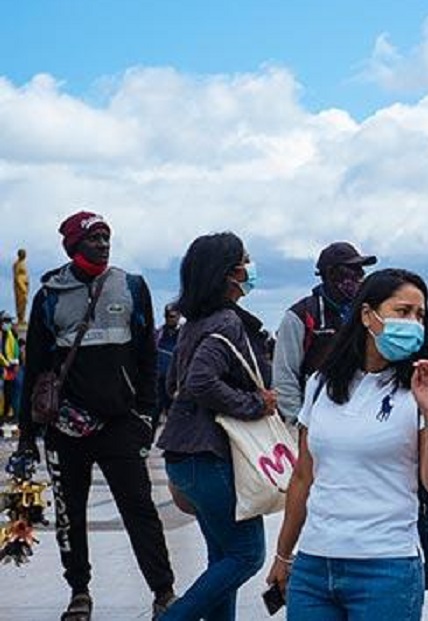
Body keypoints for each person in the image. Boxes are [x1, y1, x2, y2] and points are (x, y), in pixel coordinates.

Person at [266, 268, 428, 618]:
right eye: (402, 312)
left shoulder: (427, 384)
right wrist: (283, 554)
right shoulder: (321, 384)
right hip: (314, 565)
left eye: (420, 315)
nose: (413, 323)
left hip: (386, 566)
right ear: (367, 315)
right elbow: (303, 477)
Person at [12, 212, 176, 620]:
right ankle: (79, 591)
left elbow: (146, 357)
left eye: (106, 237)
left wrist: (146, 416)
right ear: (73, 246)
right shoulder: (50, 293)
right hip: (66, 426)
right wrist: (27, 436)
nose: (103, 244)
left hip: (121, 424)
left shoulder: (132, 287)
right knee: (71, 515)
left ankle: (163, 591)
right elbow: (34, 370)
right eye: (93, 239)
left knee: (140, 510)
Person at [156, 233, 275, 620]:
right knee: (247, 555)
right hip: (210, 456)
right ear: (228, 273)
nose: (250, 266)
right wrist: (255, 404)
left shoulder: (194, 324)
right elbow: (199, 382)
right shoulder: (226, 321)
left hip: (184, 455)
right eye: (245, 260)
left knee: (222, 555)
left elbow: (174, 383)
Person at [273, 242, 377, 424]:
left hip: (362, 418)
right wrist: (298, 422)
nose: (360, 275)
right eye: (352, 268)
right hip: (315, 420)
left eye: (361, 269)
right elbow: (284, 376)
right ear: (330, 274)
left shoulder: (367, 312)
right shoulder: (300, 316)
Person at [155, 304, 182, 422]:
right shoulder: (158, 334)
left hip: (175, 381)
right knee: (155, 411)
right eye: (168, 316)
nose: (170, 319)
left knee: (174, 415)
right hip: (158, 380)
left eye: (173, 316)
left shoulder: (184, 335)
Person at [1, 312, 19, 422]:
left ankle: (6, 416)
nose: (8, 323)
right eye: (6, 321)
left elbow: (15, 349)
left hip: (10, 370)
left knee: (9, 394)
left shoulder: (10, 334)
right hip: (3, 368)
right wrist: (6, 363)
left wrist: (15, 362)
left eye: (9, 321)